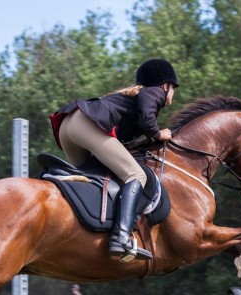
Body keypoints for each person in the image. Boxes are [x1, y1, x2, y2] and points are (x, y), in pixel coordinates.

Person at [50, 58, 179, 262]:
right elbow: (147, 119)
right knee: (136, 175)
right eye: (173, 88)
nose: (173, 93)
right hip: (85, 126)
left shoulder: (130, 97)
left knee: (93, 179)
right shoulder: (153, 92)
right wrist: (159, 134)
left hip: (68, 126)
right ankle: (121, 237)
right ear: (165, 85)